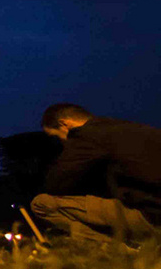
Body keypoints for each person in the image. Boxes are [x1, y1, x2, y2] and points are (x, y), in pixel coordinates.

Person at [29, 104, 161, 242]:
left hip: (152, 217)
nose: (61, 142)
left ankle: (115, 251)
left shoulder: (86, 136)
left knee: (41, 203)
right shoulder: (128, 128)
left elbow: (55, 184)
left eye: (56, 137)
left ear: (64, 124)